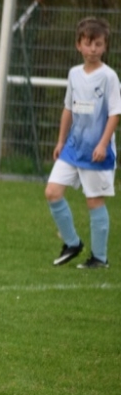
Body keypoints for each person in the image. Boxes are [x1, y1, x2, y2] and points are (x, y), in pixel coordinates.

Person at [45, 16, 120, 269]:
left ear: (105, 46)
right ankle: (72, 243)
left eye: (98, 44)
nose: (93, 49)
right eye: (88, 43)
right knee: (52, 192)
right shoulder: (74, 74)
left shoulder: (109, 77)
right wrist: (60, 141)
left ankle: (99, 258)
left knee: (94, 202)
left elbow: (115, 113)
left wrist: (103, 144)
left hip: (96, 151)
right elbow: (68, 108)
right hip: (72, 148)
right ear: (79, 45)